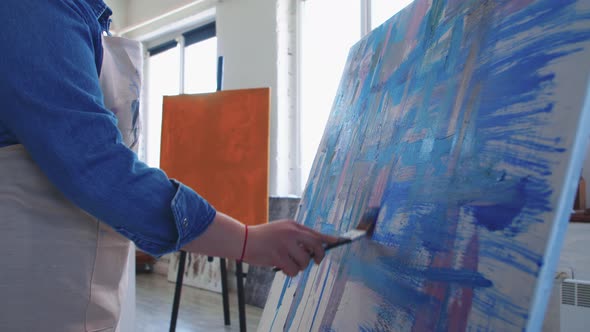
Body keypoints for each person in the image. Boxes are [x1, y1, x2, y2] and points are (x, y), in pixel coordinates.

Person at [0, 1, 337, 330]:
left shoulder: (81, 15)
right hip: (31, 293)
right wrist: (246, 240)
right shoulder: (35, 9)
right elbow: (97, 167)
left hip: (72, 285)